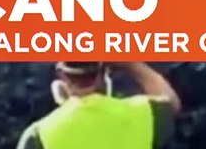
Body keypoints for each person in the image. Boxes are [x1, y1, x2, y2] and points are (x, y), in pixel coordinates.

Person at [16, 62, 181, 149]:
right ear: (104, 72)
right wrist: (132, 65)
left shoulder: (38, 135)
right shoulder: (145, 114)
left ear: (62, 75)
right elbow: (171, 102)